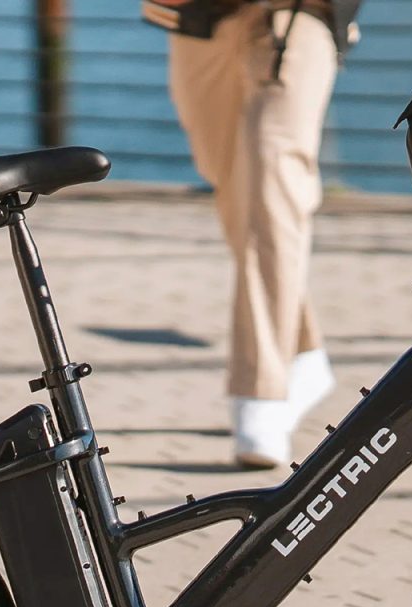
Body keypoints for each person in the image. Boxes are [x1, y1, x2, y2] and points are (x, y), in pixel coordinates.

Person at [146, 0, 361, 469]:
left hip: (300, 16)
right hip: (199, 18)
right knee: (234, 190)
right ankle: (302, 353)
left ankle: (260, 392)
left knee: (271, 177)